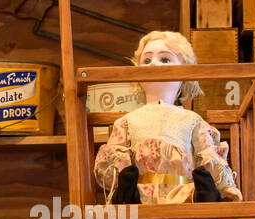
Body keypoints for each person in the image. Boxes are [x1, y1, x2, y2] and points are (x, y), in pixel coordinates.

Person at [92, 30, 241, 205]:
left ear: (184, 72)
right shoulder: (128, 121)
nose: (153, 64)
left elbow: (209, 155)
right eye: (146, 60)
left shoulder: (192, 120)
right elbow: (111, 163)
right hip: (140, 194)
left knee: (200, 186)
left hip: (183, 193)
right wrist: (121, 177)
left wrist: (224, 187)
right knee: (127, 186)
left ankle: (201, 196)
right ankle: (127, 195)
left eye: (165, 59)